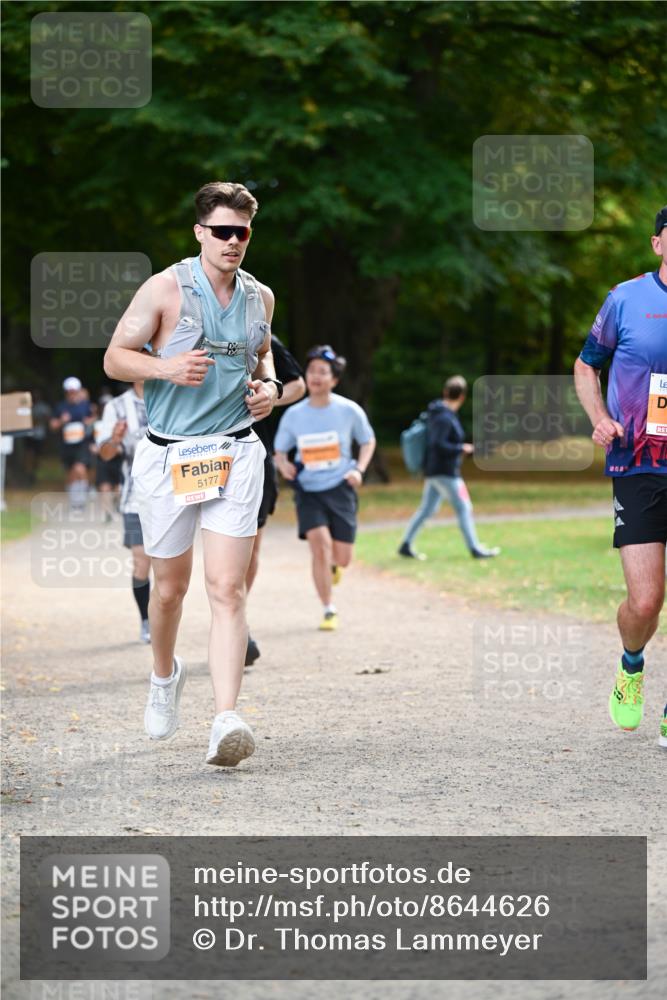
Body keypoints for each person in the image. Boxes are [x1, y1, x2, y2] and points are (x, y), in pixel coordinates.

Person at [104, 181, 282, 768]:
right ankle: (164, 675)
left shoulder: (261, 297)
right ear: (200, 232)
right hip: (168, 454)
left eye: (243, 233)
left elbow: (263, 357)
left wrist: (269, 390)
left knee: (227, 588)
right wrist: (166, 366)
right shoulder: (164, 288)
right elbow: (114, 358)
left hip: (234, 450)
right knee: (169, 590)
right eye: (223, 231)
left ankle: (226, 718)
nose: (233, 242)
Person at [574, 206, 667, 748]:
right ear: (657, 244)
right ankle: (631, 663)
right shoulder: (626, 299)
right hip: (638, 464)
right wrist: (601, 419)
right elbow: (587, 363)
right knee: (645, 601)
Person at [274, 345, 376, 631]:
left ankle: (334, 566)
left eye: (323, 372)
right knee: (319, 546)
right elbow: (279, 451)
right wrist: (283, 466)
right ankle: (328, 608)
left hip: (341, 487)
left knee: (341, 558)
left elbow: (368, 441)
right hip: (308, 491)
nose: (316, 377)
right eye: (311, 371)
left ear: (334, 379)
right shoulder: (294, 415)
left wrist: (359, 469)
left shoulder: (348, 410)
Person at [245, 334, 305, 665]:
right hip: (201, 454)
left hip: (256, 453)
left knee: (250, 545)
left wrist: (268, 395)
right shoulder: (184, 328)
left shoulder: (261, 338)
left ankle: (236, 617)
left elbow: (297, 385)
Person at [397, 375, 500, 560]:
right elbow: (438, 444)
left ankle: (406, 544)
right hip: (445, 472)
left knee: (427, 509)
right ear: (462, 396)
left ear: (445, 392)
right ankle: (475, 548)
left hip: (435, 470)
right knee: (464, 507)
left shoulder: (439, 413)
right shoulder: (444, 417)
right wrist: (462, 448)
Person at [98, 381, 151, 643]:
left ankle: (163, 616)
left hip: (174, 497)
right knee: (142, 562)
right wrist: (115, 439)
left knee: (168, 568)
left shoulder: (174, 395)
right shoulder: (117, 407)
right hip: (135, 498)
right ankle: (146, 619)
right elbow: (105, 454)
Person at [49, 376, 95, 510]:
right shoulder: (60, 407)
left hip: (81, 444)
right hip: (66, 445)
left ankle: (82, 499)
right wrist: (61, 421)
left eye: (75, 391)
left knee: (80, 468)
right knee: (71, 474)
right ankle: (74, 500)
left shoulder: (85, 406)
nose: (72, 394)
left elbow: (93, 419)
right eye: (70, 392)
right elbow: (52, 425)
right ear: (66, 392)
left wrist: (90, 422)